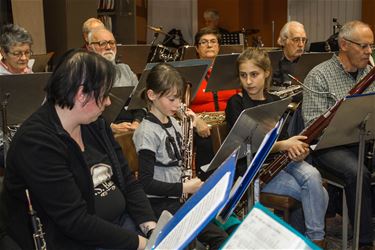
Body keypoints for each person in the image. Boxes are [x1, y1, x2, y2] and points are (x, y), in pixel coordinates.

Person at [0, 49, 156, 250]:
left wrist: (150, 227)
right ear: (81, 94)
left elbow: (127, 180)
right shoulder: (36, 142)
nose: (108, 102)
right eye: (105, 94)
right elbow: (75, 222)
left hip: (118, 226)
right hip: (71, 241)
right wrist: (141, 244)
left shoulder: (95, 124)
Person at [225, 48, 328, 247]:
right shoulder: (235, 103)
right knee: (319, 193)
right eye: (243, 75)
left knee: (312, 176)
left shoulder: (275, 101)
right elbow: (246, 148)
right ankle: (315, 240)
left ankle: (313, 240)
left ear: (266, 73)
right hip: (253, 170)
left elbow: (287, 139)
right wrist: (283, 145)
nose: (248, 81)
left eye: (254, 74)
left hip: (281, 163)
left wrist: (297, 150)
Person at [133, 63, 228, 249]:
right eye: (172, 99)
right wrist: (184, 187)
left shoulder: (174, 123)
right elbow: (145, 183)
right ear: (151, 95)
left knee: (223, 227)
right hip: (160, 204)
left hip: (178, 198)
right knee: (219, 238)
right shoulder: (147, 132)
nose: (178, 105)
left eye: (179, 99)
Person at [302, 20, 375, 249]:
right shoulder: (319, 75)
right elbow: (313, 124)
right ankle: (364, 241)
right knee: (358, 172)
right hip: (329, 146)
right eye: (363, 46)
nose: (369, 51)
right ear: (344, 44)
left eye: (371, 46)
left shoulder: (370, 71)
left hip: (365, 140)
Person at [192, 27, 238, 172]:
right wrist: (196, 121)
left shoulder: (231, 71)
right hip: (202, 127)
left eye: (213, 42)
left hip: (229, 124)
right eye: (204, 42)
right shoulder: (190, 73)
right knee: (206, 144)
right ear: (197, 48)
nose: (209, 45)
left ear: (218, 47)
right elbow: (178, 105)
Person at [87, 28, 145, 132]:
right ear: (90, 48)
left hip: (133, 127)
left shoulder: (125, 69)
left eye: (111, 42)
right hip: (103, 131)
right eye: (102, 43)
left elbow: (139, 103)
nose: (108, 47)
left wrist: (137, 122)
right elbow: (84, 114)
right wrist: (112, 127)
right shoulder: (85, 75)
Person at [272, 21, 308, 86]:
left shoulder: (309, 62)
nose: (301, 44)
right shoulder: (272, 62)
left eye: (303, 40)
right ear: (283, 40)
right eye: (296, 40)